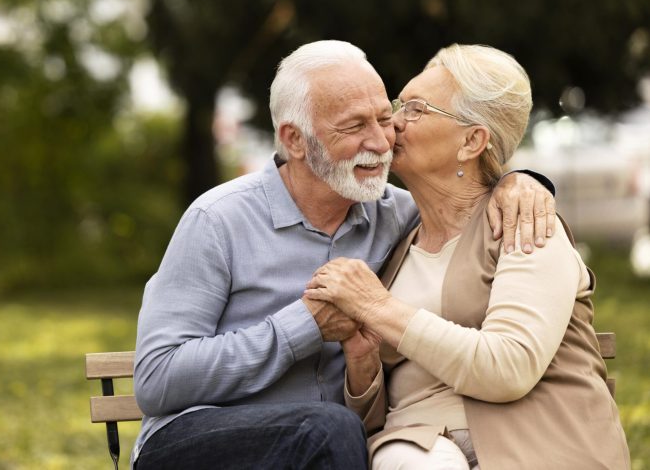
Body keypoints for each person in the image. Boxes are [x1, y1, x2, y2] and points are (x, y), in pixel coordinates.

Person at [133, 40, 556, 469]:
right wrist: (304, 325)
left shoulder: (400, 216)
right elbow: (156, 378)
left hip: (334, 449)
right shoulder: (217, 220)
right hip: (202, 441)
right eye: (354, 126)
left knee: (332, 432)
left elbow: (464, 195)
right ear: (294, 139)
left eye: (383, 118)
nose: (380, 141)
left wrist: (519, 181)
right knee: (327, 430)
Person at [305, 44, 631, 470]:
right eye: (399, 105)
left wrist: (378, 308)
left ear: (472, 141)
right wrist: (364, 364)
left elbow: (508, 367)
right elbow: (370, 423)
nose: (393, 122)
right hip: (417, 448)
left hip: (537, 446)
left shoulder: (525, 225)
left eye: (416, 109)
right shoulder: (395, 241)